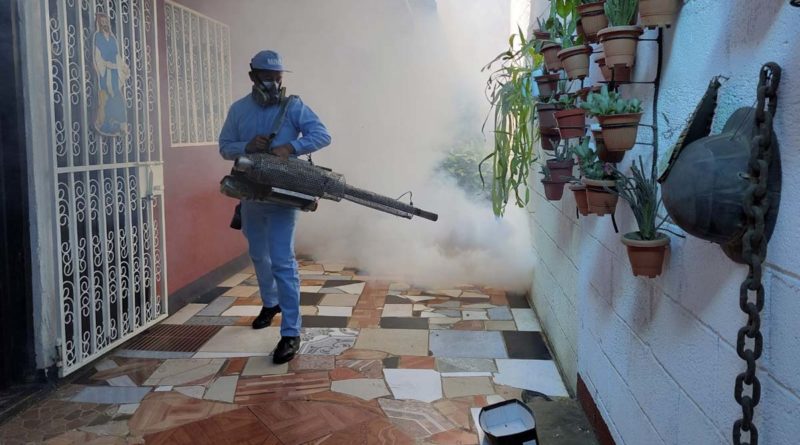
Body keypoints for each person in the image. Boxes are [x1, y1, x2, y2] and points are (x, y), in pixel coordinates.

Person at [219, 50, 331, 364]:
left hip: (283, 194)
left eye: (277, 76)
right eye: (267, 76)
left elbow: (322, 135)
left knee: (283, 261)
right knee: (258, 254)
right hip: (251, 193)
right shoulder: (238, 110)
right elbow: (224, 147)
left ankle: (291, 333)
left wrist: (291, 147)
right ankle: (270, 304)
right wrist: (245, 147)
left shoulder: (293, 106)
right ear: (253, 76)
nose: (273, 81)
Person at [93, 13, 129, 136]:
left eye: (106, 21)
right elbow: (97, 56)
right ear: (99, 23)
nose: (104, 24)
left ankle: (121, 124)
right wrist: (105, 64)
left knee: (117, 96)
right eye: (102, 22)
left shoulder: (113, 39)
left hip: (114, 73)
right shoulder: (98, 37)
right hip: (105, 73)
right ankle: (106, 125)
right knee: (107, 98)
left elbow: (117, 56)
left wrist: (123, 67)